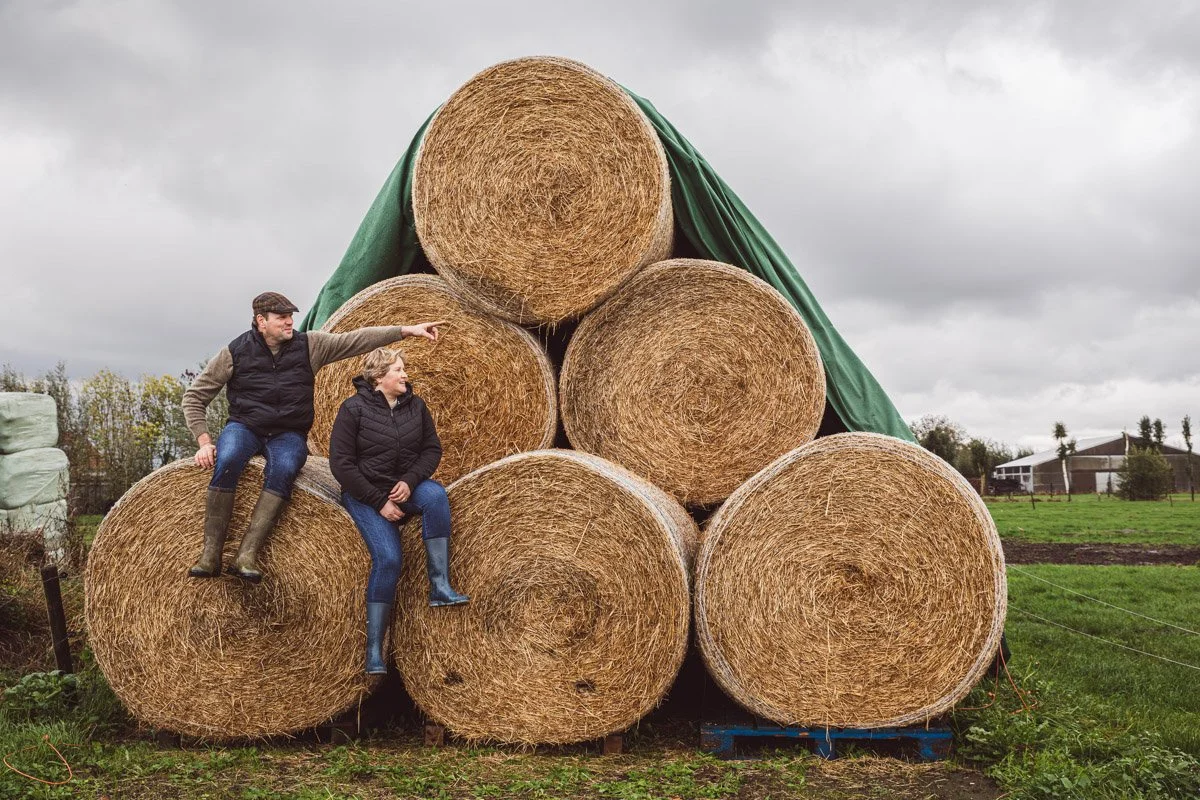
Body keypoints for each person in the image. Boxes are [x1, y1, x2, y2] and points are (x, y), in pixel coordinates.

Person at [182, 291, 445, 583]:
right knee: (228, 457)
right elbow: (194, 397)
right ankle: (210, 554)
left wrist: (406, 331)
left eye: (291, 316)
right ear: (261, 321)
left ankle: (247, 554)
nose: (289, 322)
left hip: (289, 433)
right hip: (246, 426)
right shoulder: (234, 352)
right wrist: (204, 441)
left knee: (284, 468)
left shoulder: (309, 346)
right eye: (282, 317)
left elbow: (354, 340)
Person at [329, 347, 469, 674]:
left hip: (404, 486)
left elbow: (432, 449)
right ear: (379, 377)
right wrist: (379, 502)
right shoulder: (353, 410)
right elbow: (341, 464)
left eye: (404, 369)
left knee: (435, 496)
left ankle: (440, 587)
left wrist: (410, 480)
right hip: (365, 496)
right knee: (389, 558)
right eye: (399, 370)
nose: (405, 375)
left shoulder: (415, 406)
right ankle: (375, 649)